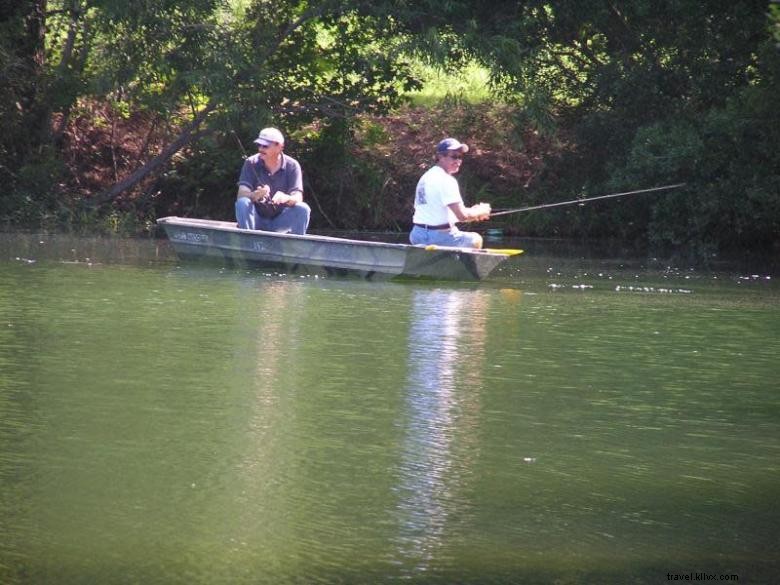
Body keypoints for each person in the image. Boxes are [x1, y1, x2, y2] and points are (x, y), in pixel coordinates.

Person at [409, 138, 491, 249]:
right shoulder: (447, 180)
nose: (458, 161)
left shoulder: (426, 176)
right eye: (454, 156)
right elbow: (462, 216)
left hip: (417, 235)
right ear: (440, 157)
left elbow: (439, 212)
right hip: (438, 238)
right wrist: (481, 211)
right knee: (475, 239)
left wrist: (474, 212)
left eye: (460, 157)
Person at [235, 127, 311, 235]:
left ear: (279, 147)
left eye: (265, 146)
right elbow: (241, 194)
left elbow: (298, 197)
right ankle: (248, 242)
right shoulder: (250, 162)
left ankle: (296, 247)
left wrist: (286, 198)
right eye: (259, 145)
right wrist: (254, 195)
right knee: (243, 203)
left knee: (303, 208)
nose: (260, 149)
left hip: (280, 221)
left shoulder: (293, 166)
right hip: (256, 220)